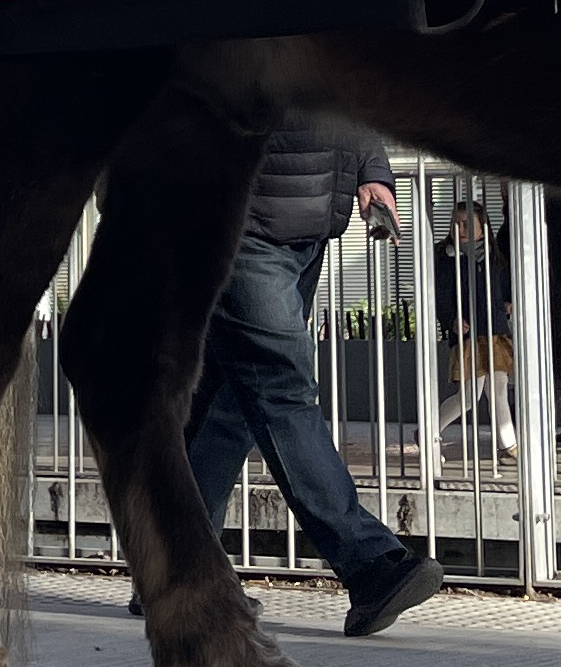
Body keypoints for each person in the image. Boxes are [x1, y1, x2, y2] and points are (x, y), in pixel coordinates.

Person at [174, 125, 444, 638]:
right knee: (280, 391)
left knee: (228, 403)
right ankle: (370, 564)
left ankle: (177, 575)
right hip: (240, 225)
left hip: (307, 228)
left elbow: (342, 83)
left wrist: (372, 171)